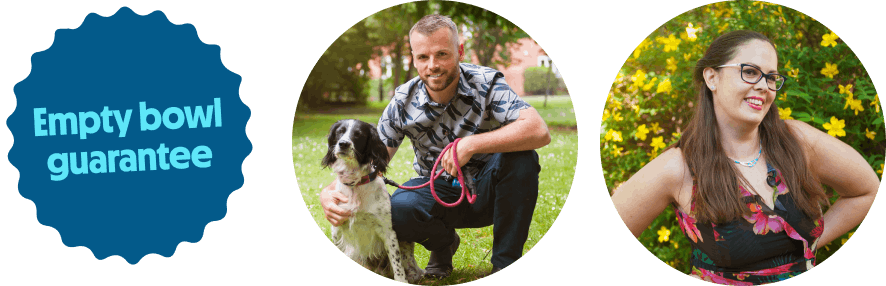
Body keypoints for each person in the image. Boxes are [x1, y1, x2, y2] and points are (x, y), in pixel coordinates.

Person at [611, 30, 878, 285]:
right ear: (711, 78)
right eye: (750, 72)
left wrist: (807, 243)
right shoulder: (679, 167)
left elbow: (867, 191)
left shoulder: (797, 141)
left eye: (771, 78)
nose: (764, 86)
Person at [319, 14, 551, 279]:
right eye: (423, 57)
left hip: (489, 191)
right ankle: (443, 245)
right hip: (436, 192)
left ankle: (505, 264)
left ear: (460, 51)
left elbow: (538, 130)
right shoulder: (402, 101)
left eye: (442, 54)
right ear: (414, 58)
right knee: (398, 209)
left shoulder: (487, 83)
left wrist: (471, 144)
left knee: (522, 157)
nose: (433, 66)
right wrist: (331, 193)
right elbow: (371, 160)